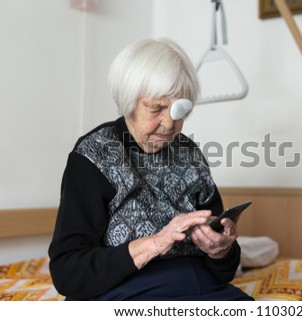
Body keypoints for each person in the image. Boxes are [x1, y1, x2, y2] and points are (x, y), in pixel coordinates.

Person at [48, 38, 253, 301]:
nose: (169, 124)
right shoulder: (95, 155)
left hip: (202, 289)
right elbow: (68, 272)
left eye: (179, 110)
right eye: (156, 108)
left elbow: (225, 270)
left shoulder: (190, 154)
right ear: (128, 101)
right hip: (127, 292)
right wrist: (156, 243)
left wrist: (221, 250)